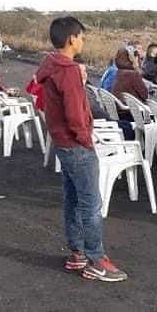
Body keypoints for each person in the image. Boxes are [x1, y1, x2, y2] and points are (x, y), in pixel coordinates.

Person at [36, 16, 127, 282]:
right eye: (82, 37)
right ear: (72, 38)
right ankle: (96, 259)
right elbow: (75, 112)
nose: (83, 41)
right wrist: (85, 138)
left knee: (74, 199)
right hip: (76, 144)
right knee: (90, 203)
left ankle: (78, 253)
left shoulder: (50, 65)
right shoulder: (68, 70)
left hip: (63, 142)